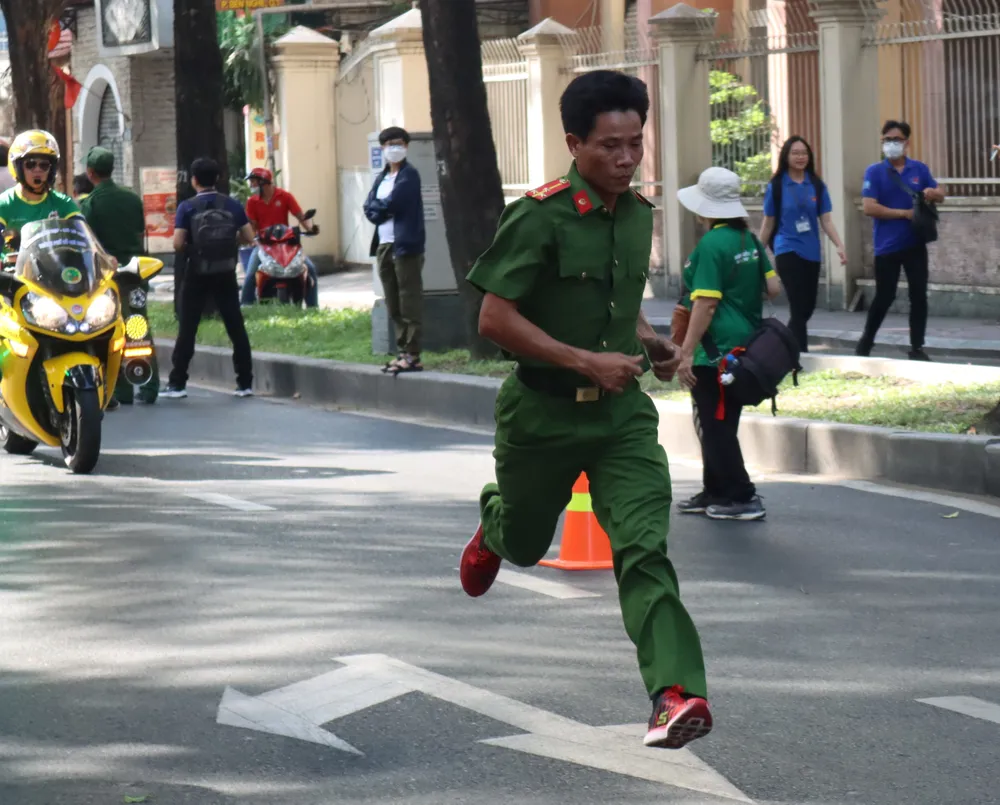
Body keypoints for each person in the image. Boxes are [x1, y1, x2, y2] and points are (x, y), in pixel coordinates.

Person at [460, 70, 713, 751]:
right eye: (610, 147)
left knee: (643, 548)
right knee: (527, 542)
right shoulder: (537, 216)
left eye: (636, 144)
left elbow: (613, 303)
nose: (627, 160)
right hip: (541, 416)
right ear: (575, 143)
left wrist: (652, 342)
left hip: (620, 419)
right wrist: (581, 360)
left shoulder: (637, 216)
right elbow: (493, 316)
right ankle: (494, 526)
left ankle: (674, 692)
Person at [674, 167, 782, 522]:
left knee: (714, 423)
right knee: (719, 421)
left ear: (705, 208)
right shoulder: (748, 239)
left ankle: (742, 495)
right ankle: (715, 490)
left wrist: (686, 352)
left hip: (713, 350)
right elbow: (773, 288)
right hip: (742, 348)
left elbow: (705, 303)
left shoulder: (710, 244)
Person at [161, 157, 255, 399]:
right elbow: (248, 237)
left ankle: (177, 383)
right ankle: (245, 383)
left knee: (188, 328)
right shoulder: (232, 205)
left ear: (194, 180)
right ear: (217, 179)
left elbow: (179, 243)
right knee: (235, 326)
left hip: (197, 273)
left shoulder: (187, 207)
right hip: (225, 272)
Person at [856, 120, 947, 361]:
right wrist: (904, 214)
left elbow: (940, 193)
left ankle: (917, 347)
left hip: (915, 243)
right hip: (887, 246)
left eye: (896, 140)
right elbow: (869, 207)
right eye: (887, 140)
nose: (891, 144)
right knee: (884, 296)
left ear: (907, 142)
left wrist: (934, 193)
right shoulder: (874, 172)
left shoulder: (918, 169)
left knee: (918, 296)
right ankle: (866, 341)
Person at [80, 146, 157, 405]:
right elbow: (139, 233)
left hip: (105, 277)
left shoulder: (90, 204)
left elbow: (87, 242)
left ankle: (119, 389)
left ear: (90, 173)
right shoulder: (132, 198)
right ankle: (149, 386)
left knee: (110, 330)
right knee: (138, 327)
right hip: (135, 272)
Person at [759, 136, 846, 353]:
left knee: (807, 307)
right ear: (786, 156)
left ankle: (781, 345)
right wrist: (758, 251)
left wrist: (839, 245)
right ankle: (800, 355)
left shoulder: (816, 185)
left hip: (812, 251)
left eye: (804, 153)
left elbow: (826, 220)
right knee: (798, 305)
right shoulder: (777, 186)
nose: (800, 157)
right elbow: (768, 223)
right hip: (786, 248)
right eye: (795, 153)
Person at [363, 126, 426, 374]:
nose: (394, 148)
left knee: (409, 299)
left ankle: (413, 354)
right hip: (384, 245)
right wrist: (382, 208)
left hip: (405, 245)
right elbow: (369, 206)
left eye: (399, 143)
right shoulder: (381, 178)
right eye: (389, 144)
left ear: (406, 146)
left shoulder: (410, 175)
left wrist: (381, 208)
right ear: (383, 148)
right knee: (393, 301)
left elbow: (396, 203)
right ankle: (402, 352)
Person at [239, 167, 320, 307]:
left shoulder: (284, 196)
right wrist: (252, 239)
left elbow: (301, 216)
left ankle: (313, 307)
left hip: (286, 243)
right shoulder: (252, 202)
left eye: (253, 182)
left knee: (310, 269)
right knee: (251, 273)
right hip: (264, 244)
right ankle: (246, 306)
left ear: (264, 183)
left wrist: (310, 228)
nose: (251, 186)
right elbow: (252, 225)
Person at [0, 130, 81, 258]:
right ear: (18, 168)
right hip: (12, 275)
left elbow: (84, 237)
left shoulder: (64, 204)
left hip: (55, 274)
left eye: (44, 165)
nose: (37, 170)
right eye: (30, 164)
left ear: (51, 169)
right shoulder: (4, 203)